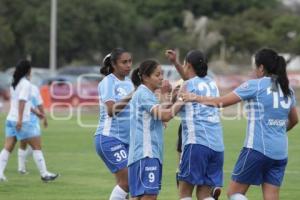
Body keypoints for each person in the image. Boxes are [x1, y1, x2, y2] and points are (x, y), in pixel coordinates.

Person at [181, 48, 299, 200]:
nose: (254, 70)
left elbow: (221, 102)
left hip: (256, 149)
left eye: (255, 66)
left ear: (261, 67)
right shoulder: (287, 88)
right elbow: (294, 120)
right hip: (280, 152)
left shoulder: (255, 85)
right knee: (271, 196)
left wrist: (195, 97)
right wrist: (278, 130)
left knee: (234, 193)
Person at [166, 49, 223, 200]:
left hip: (197, 144)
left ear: (188, 65)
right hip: (217, 146)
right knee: (204, 195)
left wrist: (170, 99)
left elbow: (172, 111)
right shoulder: (212, 84)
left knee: (184, 193)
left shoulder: (187, 85)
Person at [128, 59, 183, 200]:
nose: (162, 78)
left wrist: (172, 100)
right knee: (149, 196)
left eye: (162, 74)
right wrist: (182, 101)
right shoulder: (144, 94)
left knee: (140, 196)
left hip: (144, 154)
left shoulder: (147, 94)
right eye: (157, 75)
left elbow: (159, 115)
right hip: (146, 154)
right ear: (146, 77)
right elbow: (165, 116)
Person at [0, 60, 58, 182]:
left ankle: (0, 173)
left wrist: (36, 112)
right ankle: (44, 174)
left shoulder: (14, 83)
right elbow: (22, 102)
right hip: (22, 121)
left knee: (7, 148)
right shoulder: (26, 84)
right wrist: (20, 120)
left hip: (10, 118)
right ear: (27, 70)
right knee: (37, 147)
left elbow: (23, 103)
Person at [94, 48, 134, 200]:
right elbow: (111, 110)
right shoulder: (108, 82)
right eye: (124, 62)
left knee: (128, 184)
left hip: (127, 141)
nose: (128, 65)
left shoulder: (129, 83)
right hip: (109, 138)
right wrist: (132, 94)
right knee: (127, 181)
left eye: (130, 61)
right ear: (114, 64)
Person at [18, 83, 48, 174]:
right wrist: (42, 116)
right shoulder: (24, 90)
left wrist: (43, 117)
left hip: (32, 120)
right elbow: (29, 106)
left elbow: (38, 105)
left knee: (30, 144)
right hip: (27, 120)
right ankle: (22, 167)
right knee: (33, 145)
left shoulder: (34, 90)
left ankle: (22, 166)